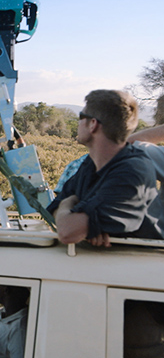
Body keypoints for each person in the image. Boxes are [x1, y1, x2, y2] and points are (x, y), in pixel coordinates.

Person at [47, 89, 164, 246]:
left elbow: (68, 231)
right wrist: (75, 216)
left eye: (81, 117)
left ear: (93, 124)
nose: (79, 122)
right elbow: (54, 209)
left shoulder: (132, 172)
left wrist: (69, 205)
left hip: (141, 262)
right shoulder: (92, 163)